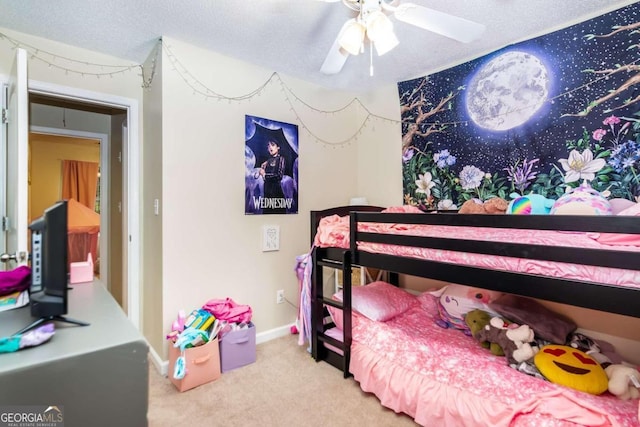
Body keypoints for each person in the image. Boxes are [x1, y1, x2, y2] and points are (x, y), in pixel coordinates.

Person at [258, 140, 287, 214]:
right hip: (267, 195)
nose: (270, 147)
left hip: (276, 194)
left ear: (278, 147)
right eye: (268, 145)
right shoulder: (268, 161)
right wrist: (263, 168)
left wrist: (264, 174)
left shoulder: (281, 159)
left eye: (273, 145)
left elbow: (279, 175)